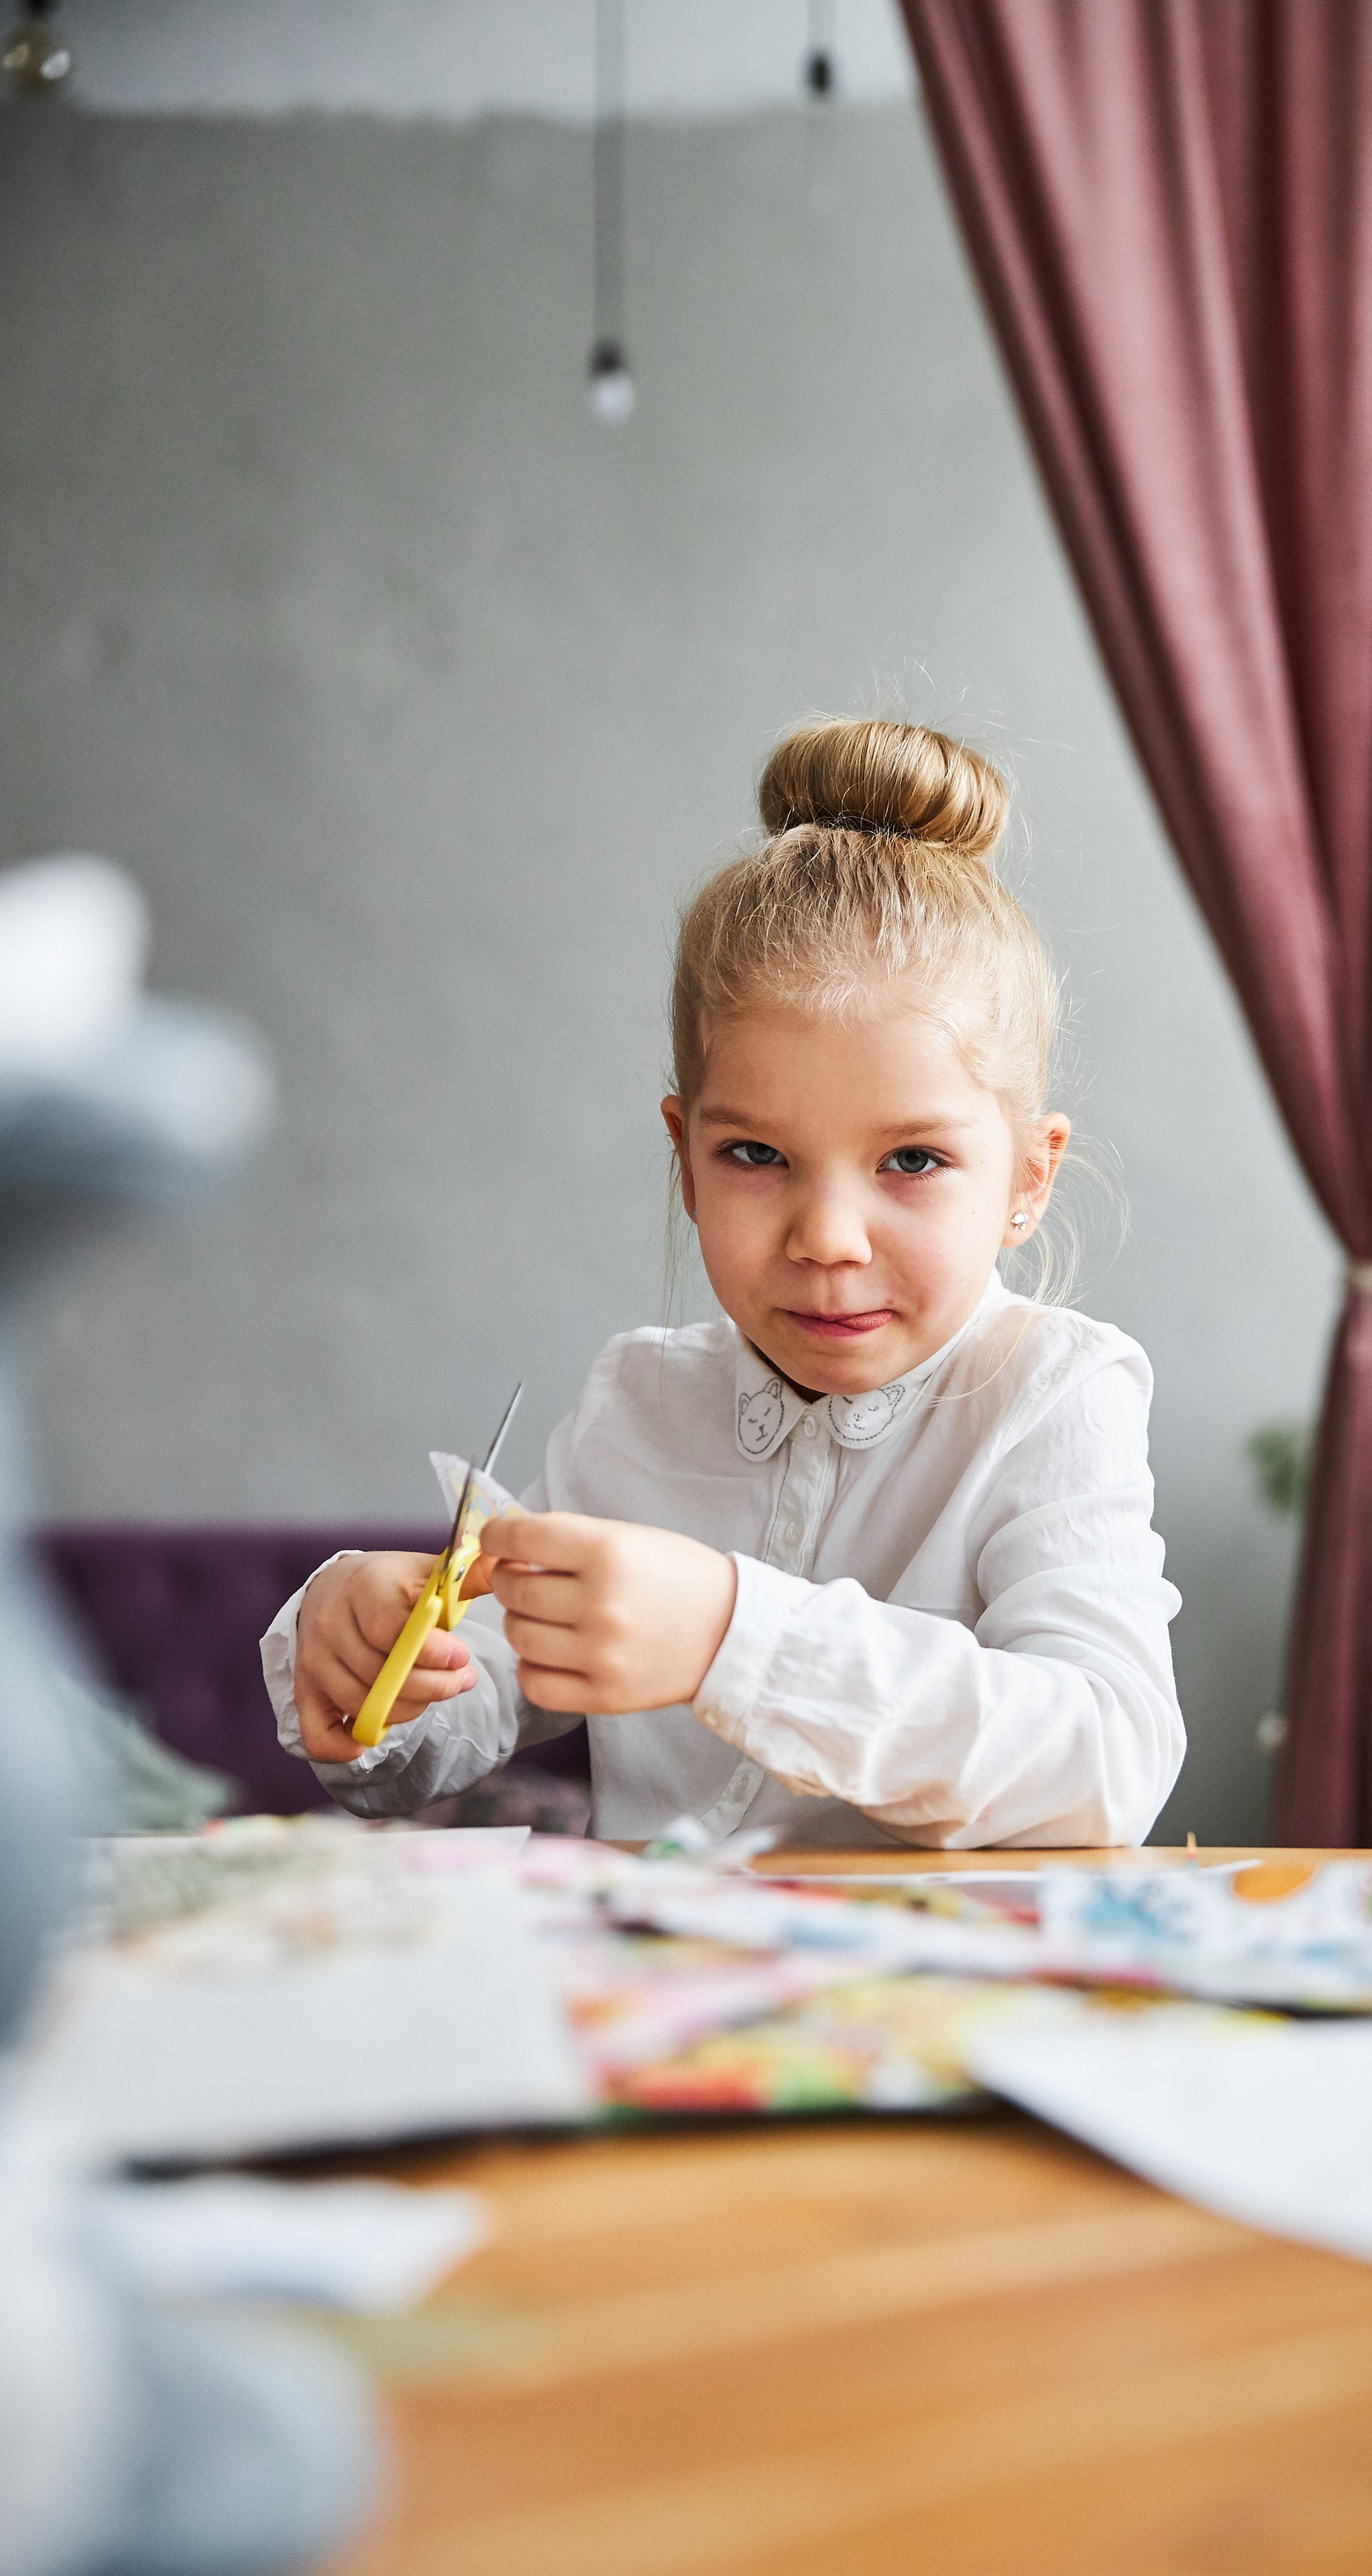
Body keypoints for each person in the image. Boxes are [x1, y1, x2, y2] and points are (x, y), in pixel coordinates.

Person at [265, 719, 1184, 1848]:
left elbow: (1107, 1761)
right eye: (756, 1155)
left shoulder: (1054, 1394)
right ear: (686, 1159)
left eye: (913, 1161)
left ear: (1027, 1178)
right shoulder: (635, 1405)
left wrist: (731, 1633)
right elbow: (447, 1724)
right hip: (656, 2003)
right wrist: (375, 1661)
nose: (828, 1237)